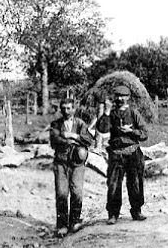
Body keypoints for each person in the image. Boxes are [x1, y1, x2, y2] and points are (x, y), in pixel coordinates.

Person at [97, 85, 148, 224]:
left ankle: (136, 211)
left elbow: (145, 134)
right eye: (118, 96)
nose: (120, 99)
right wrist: (106, 113)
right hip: (116, 153)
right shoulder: (111, 113)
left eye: (123, 96)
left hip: (132, 151)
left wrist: (131, 131)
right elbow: (102, 129)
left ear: (128, 98)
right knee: (113, 184)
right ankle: (113, 214)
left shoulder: (133, 113)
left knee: (135, 183)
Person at [50, 99, 94, 236]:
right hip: (61, 162)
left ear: (74, 109)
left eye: (69, 108)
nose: (66, 111)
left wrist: (73, 135)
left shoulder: (80, 124)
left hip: (77, 162)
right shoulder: (56, 124)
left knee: (77, 192)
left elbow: (89, 140)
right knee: (62, 193)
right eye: (63, 108)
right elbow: (55, 140)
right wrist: (71, 141)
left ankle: (75, 221)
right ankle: (62, 224)